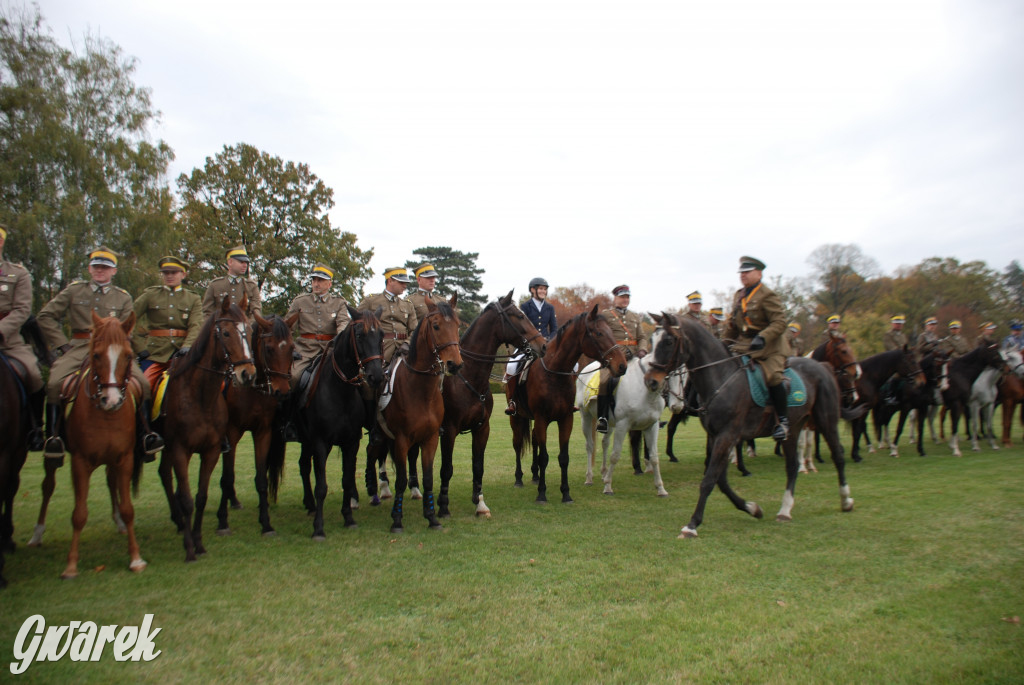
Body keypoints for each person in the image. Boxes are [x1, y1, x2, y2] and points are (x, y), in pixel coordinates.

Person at [36, 246, 163, 466]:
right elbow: (46, 316)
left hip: (113, 351)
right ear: (89, 268)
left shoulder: (122, 297)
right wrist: (62, 344)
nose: (100, 271)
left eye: (105, 267)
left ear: (114, 271)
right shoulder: (74, 291)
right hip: (79, 347)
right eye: (96, 267)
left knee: (142, 383)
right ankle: (53, 438)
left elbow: (127, 328)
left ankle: (145, 436)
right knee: (55, 382)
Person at [724, 256, 792, 441]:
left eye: (747, 272)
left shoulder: (768, 295)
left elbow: (780, 322)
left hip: (770, 347)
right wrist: (723, 344)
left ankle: (783, 423)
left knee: (773, 377)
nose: (743, 276)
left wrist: (763, 337)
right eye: (741, 273)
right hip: (744, 346)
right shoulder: (739, 295)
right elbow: (733, 324)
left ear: (759, 273)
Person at [0, 224, 45, 450]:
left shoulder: (17, 273)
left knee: (34, 375)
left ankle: (36, 428)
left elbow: (22, 310)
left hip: (9, 342)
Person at [132, 256, 203, 393]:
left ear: (183, 274)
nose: (169, 276)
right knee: (142, 386)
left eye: (174, 272)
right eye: (166, 273)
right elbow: (129, 320)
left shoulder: (193, 298)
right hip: (154, 353)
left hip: (183, 354)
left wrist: (187, 346)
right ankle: (143, 414)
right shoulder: (150, 295)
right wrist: (139, 347)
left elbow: (196, 325)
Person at [595, 284, 648, 433]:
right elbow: (603, 337)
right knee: (605, 380)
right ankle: (603, 418)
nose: (625, 300)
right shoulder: (606, 315)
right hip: (614, 359)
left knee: (652, 376)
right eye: (622, 297)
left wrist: (642, 349)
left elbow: (642, 337)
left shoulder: (634, 316)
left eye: (627, 297)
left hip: (635, 357)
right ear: (615, 298)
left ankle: (651, 415)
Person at [286, 263, 350, 385]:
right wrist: (290, 348)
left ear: (329, 284)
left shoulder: (339, 303)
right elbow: (288, 328)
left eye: (320, 280)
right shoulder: (300, 301)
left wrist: (340, 339)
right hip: (305, 350)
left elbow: (343, 323)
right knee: (292, 377)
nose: (316, 283)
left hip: (330, 349)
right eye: (314, 280)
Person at [504, 277, 556, 416]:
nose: (543, 291)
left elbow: (554, 328)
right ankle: (512, 401)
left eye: (545, 289)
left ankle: (568, 400)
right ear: (533, 290)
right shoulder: (525, 306)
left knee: (573, 365)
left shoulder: (550, 308)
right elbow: (521, 326)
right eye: (540, 288)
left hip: (546, 345)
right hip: (527, 344)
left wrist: (550, 339)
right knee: (511, 365)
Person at [358, 266, 417, 366]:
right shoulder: (371, 301)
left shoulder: (408, 305)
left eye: (406, 283)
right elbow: (357, 323)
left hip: (404, 349)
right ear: (390, 281)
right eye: (401, 282)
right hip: (379, 348)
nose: (405, 286)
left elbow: (415, 329)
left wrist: (407, 343)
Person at [202, 245, 262, 320]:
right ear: (230, 262)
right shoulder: (215, 285)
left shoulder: (251, 286)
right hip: (220, 328)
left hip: (244, 328)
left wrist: (249, 327)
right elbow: (207, 312)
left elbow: (256, 311)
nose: (245, 265)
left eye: (246, 262)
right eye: (241, 262)